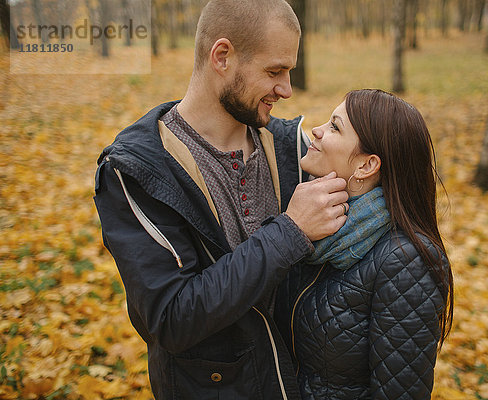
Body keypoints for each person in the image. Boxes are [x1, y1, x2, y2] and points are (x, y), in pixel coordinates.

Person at [93, 1, 349, 399]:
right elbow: (172, 320)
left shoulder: (292, 149)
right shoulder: (137, 171)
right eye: (274, 71)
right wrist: (290, 231)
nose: (286, 89)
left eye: (289, 72)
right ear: (223, 57)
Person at [274, 89, 454, 400]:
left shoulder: (405, 261)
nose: (315, 130)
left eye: (334, 126)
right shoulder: (317, 227)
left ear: (366, 166)